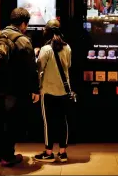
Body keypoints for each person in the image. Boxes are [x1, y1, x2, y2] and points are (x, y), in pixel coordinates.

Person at [0, 8, 40, 167]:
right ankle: (7, 156)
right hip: (14, 90)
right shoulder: (23, 40)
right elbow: (31, 68)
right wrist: (35, 90)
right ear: (23, 23)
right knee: (11, 122)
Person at [34, 19, 72, 163]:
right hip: (63, 90)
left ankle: (48, 153)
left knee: (48, 122)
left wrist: (36, 55)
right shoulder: (67, 47)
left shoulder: (45, 49)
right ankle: (63, 153)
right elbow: (69, 65)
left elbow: (39, 69)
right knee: (63, 121)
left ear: (47, 31)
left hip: (48, 91)